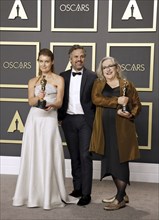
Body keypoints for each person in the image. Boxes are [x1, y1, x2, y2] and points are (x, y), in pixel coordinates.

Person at [12, 48, 78, 210]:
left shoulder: (58, 79)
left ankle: (50, 194)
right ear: (38, 62)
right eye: (41, 61)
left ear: (52, 62)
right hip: (34, 120)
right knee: (33, 154)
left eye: (46, 61)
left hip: (49, 118)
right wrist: (38, 98)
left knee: (49, 153)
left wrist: (51, 104)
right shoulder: (32, 81)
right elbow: (30, 101)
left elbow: (60, 102)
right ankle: (32, 194)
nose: (43, 64)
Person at [89, 56, 142, 210]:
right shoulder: (98, 83)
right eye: (105, 67)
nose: (108, 69)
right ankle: (122, 192)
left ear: (117, 67)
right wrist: (117, 101)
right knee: (110, 161)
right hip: (104, 130)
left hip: (123, 130)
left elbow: (137, 105)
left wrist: (130, 114)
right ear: (102, 70)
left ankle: (120, 198)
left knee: (121, 161)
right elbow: (96, 100)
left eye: (111, 66)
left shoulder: (127, 84)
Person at [58, 45, 96, 206]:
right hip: (68, 121)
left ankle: (86, 194)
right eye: (75, 57)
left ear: (84, 58)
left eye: (81, 56)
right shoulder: (63, 76)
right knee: (74, 156)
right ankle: (78, 188)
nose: (79, 59)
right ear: (70, 59)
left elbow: (97, 99)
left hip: (85, 121)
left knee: (85, 156)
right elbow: (60, 98)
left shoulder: (93, 76)